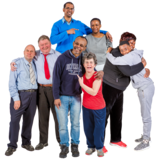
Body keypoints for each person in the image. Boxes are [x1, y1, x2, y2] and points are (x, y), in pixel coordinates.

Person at [52, 36, 104, 159]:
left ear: (84, 48)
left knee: (75, 123)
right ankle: (64, 146)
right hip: (62, 96)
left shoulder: (83, 59)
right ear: (73, 43)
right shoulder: (62, 58)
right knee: (63, 124)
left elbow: (93, 71)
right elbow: (55, 79)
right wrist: (56, 97)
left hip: (76, 97)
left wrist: (101, 72)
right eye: (77, 44)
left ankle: (75, 145)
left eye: (81, 45)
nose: (78, 47)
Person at [9, 34, 61, 150]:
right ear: (39, 46)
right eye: (41, 45)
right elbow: (23, 57)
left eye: (46, 44)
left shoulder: (58, 56)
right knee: (42, 116)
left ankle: (60, 142)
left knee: (58, 116)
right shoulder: (35, 55)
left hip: (55, 89)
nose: (44, 46)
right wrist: (13, 62)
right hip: (40, 90)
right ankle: (43, 142)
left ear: (50, 43)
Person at [102, 31, 151, 149]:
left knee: (117, 114)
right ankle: (99, 143)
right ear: (121, 43)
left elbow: (138, 66)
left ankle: (115, 139)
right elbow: (127, 71)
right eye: (129, 43)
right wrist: (142, 65)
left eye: (133, 43)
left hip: (121, 88)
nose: (131, 46)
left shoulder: (131, 53)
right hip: (110, 86)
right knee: (104, 114)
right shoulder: (116, 53)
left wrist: (146, 69)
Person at [5, 44, 37, 157]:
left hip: (33, 95)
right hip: (20, 95)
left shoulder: (35, 63)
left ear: (34, 53)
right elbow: (12, 83)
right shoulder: (16, 63)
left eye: (31, 51)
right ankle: (12, 146)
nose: (29, 53)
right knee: (14, 120)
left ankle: (26, 143)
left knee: (29, 120)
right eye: (27, 50)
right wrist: (16, 98)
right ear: (23, 52)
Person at [77, 52, 107, 158]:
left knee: (98, 128)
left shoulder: (97, 75)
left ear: (94, 64)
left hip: (98, 108)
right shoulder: (82, 75)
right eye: (86, 62)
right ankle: (90, 146)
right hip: (86, 107)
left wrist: (82, 84)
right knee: (88, 128)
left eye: (91, 62)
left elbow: (94, 92)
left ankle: (99, 147)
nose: (89, 64)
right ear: (84, 64)